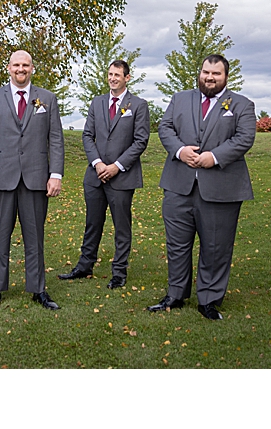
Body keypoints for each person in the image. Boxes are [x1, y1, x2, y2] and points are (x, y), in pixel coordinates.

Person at [151, 54, 255, 320]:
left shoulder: (242, 104)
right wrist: (179, 150)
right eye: (206, 72)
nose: (210, 77)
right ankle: (176, 294)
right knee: (177, 244)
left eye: (216, 74)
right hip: (178, 185)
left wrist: (215, 157)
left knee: (216, 246)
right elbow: (165, 128)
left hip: (221, 188)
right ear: (200, 73)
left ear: (225, 77)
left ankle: (208, 299)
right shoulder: (179, 99)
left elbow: (245, 138)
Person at [0, 50, 65, 310]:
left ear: (32, 68)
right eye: (16, 65)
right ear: (8, 68)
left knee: (35, 237)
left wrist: (55, 174)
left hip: (36, 179)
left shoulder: (47, 99)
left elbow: (56, 139)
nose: (21, 69)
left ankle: (38, 289)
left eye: (25, 65)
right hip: (0, 179)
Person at [59, 60, 150, 289]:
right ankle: (84, 266)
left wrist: (116, 166)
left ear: (127, 78)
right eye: (110, 74)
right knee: (92, 223)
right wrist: (98, 164)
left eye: (117, 74)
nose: (112, 78)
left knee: (121, 226)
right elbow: (87, 136)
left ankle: (119, 273)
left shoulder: (138, 105)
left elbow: (140, 141)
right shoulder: (97, 102)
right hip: (95, 176)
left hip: (122, 177)